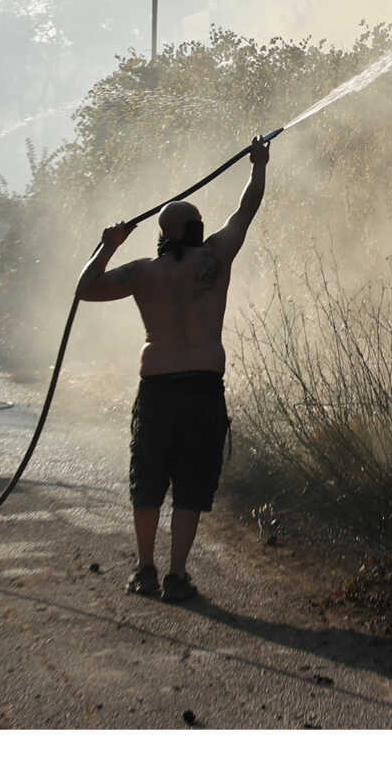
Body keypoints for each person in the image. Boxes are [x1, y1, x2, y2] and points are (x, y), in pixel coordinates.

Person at [77, 136, 268, 603]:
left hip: (158, 390)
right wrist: (258, 165)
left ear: (163, 233)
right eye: (199, 223)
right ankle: (175, 575)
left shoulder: (143, 271)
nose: (204, 226)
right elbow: (247, 209)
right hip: (202, 389)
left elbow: (86, 288)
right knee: (190, 483)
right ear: (196, 229)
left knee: (150, 480)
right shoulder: (215, 258)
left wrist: (108, 246)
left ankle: (146, 569)